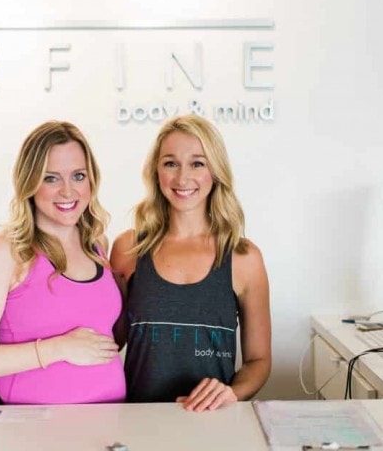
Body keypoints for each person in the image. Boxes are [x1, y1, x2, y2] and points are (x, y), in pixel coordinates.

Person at [0, 121, 125, 404]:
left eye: (78, 176)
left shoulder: (97, 245)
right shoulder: (5, 252)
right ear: (29, 182)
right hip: (29, 429)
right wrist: (60, 348)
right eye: (51, 178)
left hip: (106, 425)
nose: (68, 192)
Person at [110, 114, 271, 411]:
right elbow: (110, 343)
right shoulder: (128, 249)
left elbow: (258, 361)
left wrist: (232, 393)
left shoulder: (244, 258)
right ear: (156, 171)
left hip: (211, 426)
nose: (182, 178)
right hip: (139, 423)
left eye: (197, 163)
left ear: (215, 170)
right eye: (170, 163)